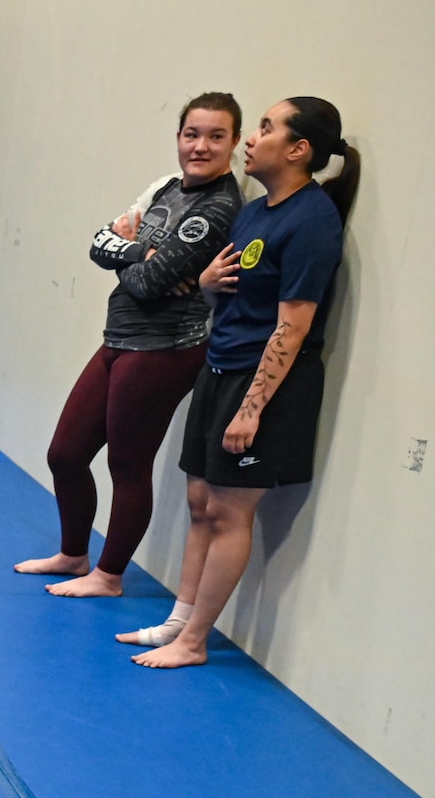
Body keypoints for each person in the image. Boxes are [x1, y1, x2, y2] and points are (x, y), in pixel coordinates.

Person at [121, 97, 358, 667]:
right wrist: (204, 283)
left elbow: (293, 325)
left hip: (265, 384)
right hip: (221, 366)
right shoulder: (256, 213)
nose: (254, 138)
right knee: (201, 501)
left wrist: (252, 408)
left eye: (268, 129)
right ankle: (178, 622)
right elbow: (228, 294)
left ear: (299, 150)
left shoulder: (311, 222)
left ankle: (196, 641)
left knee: (230, 513)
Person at [14, 94, 246, 597]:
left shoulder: (220, 207)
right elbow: (100, 242)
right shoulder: (164, 187)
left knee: (127, 463)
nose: (200, 146)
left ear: (233, 143)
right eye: (192, 134)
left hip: (163, 350)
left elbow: (146, 282)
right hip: (117, 339)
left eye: (215, 136)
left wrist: (136, 260)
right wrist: (140, 252)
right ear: (179, 137)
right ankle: (75, 555)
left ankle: (109, 574)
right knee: (66, 454)